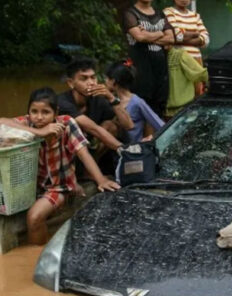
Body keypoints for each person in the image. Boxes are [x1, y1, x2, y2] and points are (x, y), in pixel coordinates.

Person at [0, 88, 119, 244]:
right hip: (32, 187)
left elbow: (83, 154)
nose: (39, 117)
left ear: (55, 113)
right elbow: (2, 121)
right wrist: (39, 132)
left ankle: (37, 259)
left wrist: (101, 180)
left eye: (45, 112)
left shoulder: (67, 123)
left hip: (59, 187)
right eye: (34, 111)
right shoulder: (29, 123)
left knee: (34, 217)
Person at [58, 58, 133, 173]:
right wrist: (125, 150)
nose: (91, 82)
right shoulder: (63, 102)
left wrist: (112, 98)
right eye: (84, 78)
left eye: (93, 77)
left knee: (111, 125)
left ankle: (89, 170)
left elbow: (128, 125)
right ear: (70, 83)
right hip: (66, 154)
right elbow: (94, 129)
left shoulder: (98, 99)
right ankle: (83, 172)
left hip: (90, 151)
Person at [124, 0, 174, 115]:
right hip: (141, 70)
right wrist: (159, 33)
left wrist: (148, 35)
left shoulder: (160, 14)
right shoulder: (130, 14)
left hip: (161, 71)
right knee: (142, 108)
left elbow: (171, 38)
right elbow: (139, 37)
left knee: (159, 107)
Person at [163, 0, 209, 95]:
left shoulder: (195, 16)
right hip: (179, 61)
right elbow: (174, 35)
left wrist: (183, 37)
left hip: (196, 61)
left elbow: (206, 40)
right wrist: (195, 34)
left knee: (197, 93)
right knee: (181, 94)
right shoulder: (169, 12)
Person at [105, 61, 164, 143]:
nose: (105, 81)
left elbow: (158, 123)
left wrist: (151, 139)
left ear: (114, 81)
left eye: (107, 78)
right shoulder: (110, 99)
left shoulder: (137, 102)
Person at [166, 47, 209, 118]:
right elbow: (201, 76)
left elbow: (200, 76)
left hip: (183, 110)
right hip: (182, 110)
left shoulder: (180, 54)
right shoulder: (181, 54)